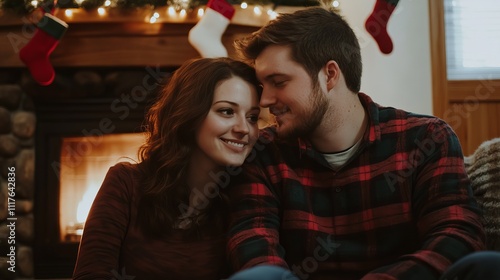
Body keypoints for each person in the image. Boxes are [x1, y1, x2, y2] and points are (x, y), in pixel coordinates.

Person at [226, 6, 500, 280]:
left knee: (488, 265)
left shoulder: (426, 138)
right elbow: (253, 246)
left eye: (278, 82)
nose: (264, 101)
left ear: (330, 75)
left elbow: (457, 235)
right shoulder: (263, 151)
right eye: (263, 87)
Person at [72, 57, 261, 280]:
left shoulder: (246, 199)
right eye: (227, 111)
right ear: (189, 113)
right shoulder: (126, 183)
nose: (244, 129)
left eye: (252, 117)